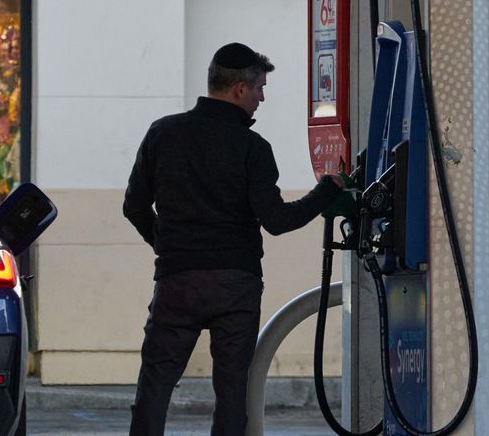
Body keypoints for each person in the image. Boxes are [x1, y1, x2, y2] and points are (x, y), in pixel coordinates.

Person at [123, 42, 346, 436]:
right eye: (260, 87)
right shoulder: (252, 148)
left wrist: (166, 246)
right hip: (236, 286)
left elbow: (134, 206)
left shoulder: (163, 133)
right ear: (239, 89)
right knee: (231, 394)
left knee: (155, 387)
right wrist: (326, 191)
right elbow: (277, 220)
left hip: (177, 283)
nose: (263, 97)